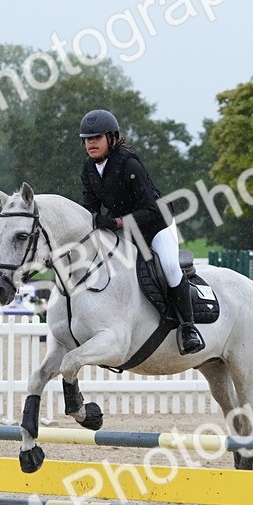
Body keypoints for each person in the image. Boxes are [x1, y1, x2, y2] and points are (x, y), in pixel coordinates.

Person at [77, 108, 204, 355]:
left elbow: (150, 209)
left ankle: (188, 328)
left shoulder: (128, 163)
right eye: (87, 139)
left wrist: (115, 223)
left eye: (97, 138)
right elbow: (90, 205)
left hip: (156, 224)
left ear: (111, 138)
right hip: (125, 228)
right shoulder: (89, 168)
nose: (91, 143)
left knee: (168, 266)